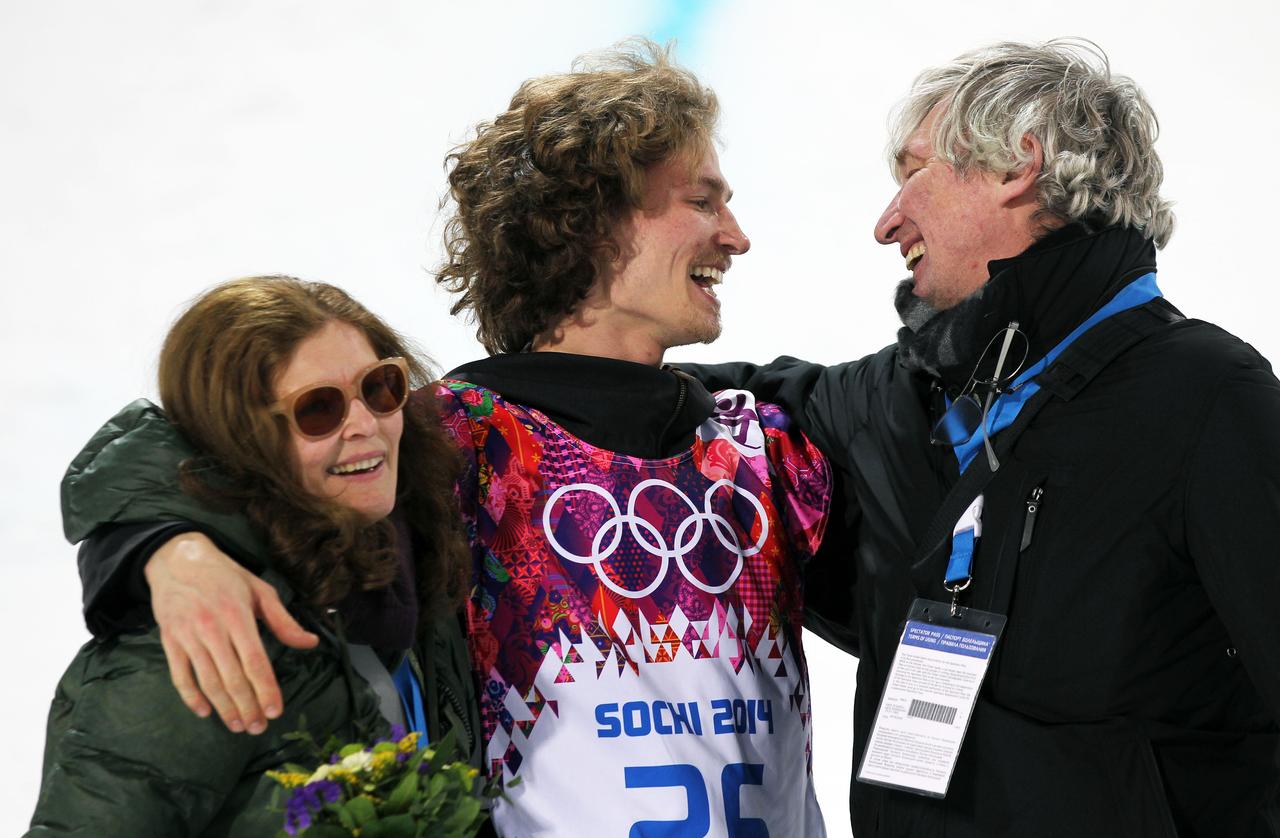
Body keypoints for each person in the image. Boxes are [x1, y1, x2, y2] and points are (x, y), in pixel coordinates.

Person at [64, 41, 834, 836]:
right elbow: (224, 444)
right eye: (702, 201)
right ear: (594, 220)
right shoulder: (445, 440)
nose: (736, 236)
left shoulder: (764, 438)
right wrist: (162, 543)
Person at [687, 39, 1280, 837]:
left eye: (912, 174)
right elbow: (688, 401)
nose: (887, 222)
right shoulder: (894, 398)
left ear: (1016, 166)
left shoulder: (1207, 395)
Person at [27, 277, 480, 836]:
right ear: (245, 437)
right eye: (319, 409)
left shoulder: (409, 569)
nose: (365, 424)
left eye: (381, 387)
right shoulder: (204, 636)